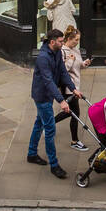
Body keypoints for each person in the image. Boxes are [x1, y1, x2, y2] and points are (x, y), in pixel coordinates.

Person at [27, 29, 74, 179]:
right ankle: (54, 165)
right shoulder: (43, 58)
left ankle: (32, 153)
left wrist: (73, 89)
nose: (62, 43)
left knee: (39, 124)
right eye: (60, 41)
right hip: (42, 96)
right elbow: (47, 80)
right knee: (50, 130)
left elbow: (62, 72)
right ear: (52, 42)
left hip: (48, 94)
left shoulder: (57, 52)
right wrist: (61, 100)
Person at [59, 27, 90, 150]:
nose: (77, 42)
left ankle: (47, 123)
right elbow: (63, 70)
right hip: (68, 88)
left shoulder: (75, 50)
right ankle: (74, 141)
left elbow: (79, 66)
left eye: (78, 40)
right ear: (69, 39)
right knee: (75, 114)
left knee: (70, 112)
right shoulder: (62, 51)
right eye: (75, 40)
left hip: (76, 86)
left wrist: (84, 64)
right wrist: (70, 60)